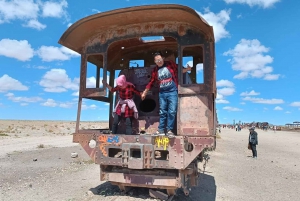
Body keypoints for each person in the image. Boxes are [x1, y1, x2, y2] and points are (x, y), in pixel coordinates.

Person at [141, 52, 180, 138]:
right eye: (157, 60)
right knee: (162, 112)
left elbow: (179, 70)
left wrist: (187, 70)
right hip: (162, 93)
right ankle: (161, 130)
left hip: (172, 91)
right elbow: (151, 82)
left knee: (172, 111)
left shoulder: (170, 64)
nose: (159, 61)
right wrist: (145, 92)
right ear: (155, 62)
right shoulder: (155, 71)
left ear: (162, 58)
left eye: (160, 59)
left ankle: (169, 130)